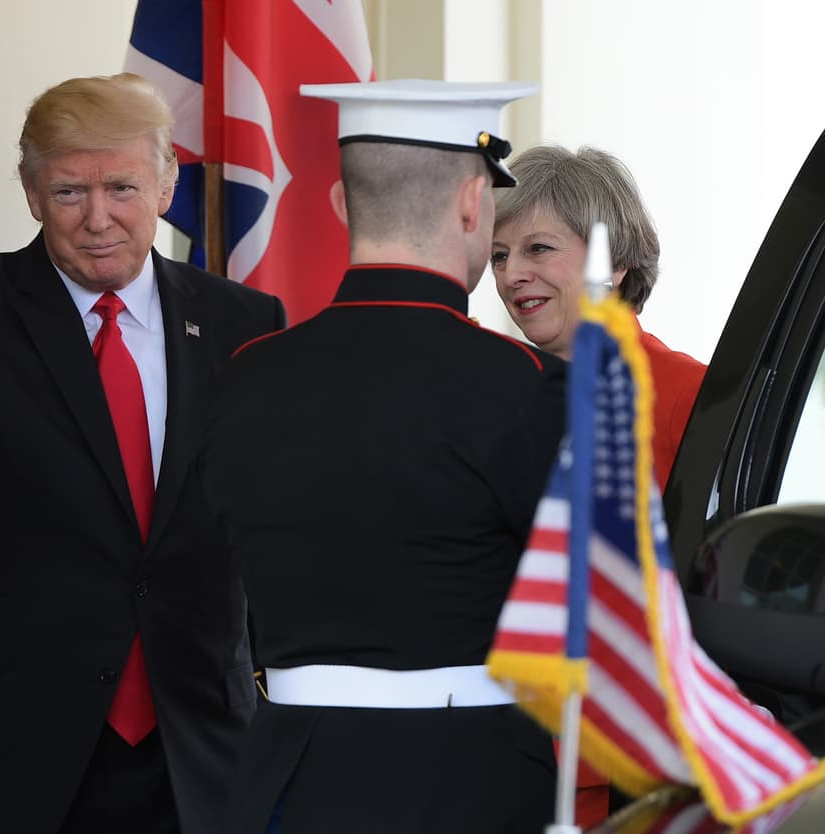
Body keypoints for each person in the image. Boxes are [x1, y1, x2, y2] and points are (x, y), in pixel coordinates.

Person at [0, 73, 286, 834]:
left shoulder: (243, 319)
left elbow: (274, 505)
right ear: (30, 193)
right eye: (69, 193)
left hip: (194, 747)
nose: (98, 219)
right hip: (2, 747)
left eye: (121, 187)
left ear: (166, 184)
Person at [201, 79, 568, 834]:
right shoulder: (528, 386)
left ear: (341, 203)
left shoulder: (244, 376)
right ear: (474, 203)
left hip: (284, 786)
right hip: (470, 785)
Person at [491, 143, 707, 825]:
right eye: (498, 255)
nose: (512, 274)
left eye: (538, 248)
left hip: (622, 770)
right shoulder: (486, 393)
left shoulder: (687, 397)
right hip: (493, 751)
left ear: (613, 262)